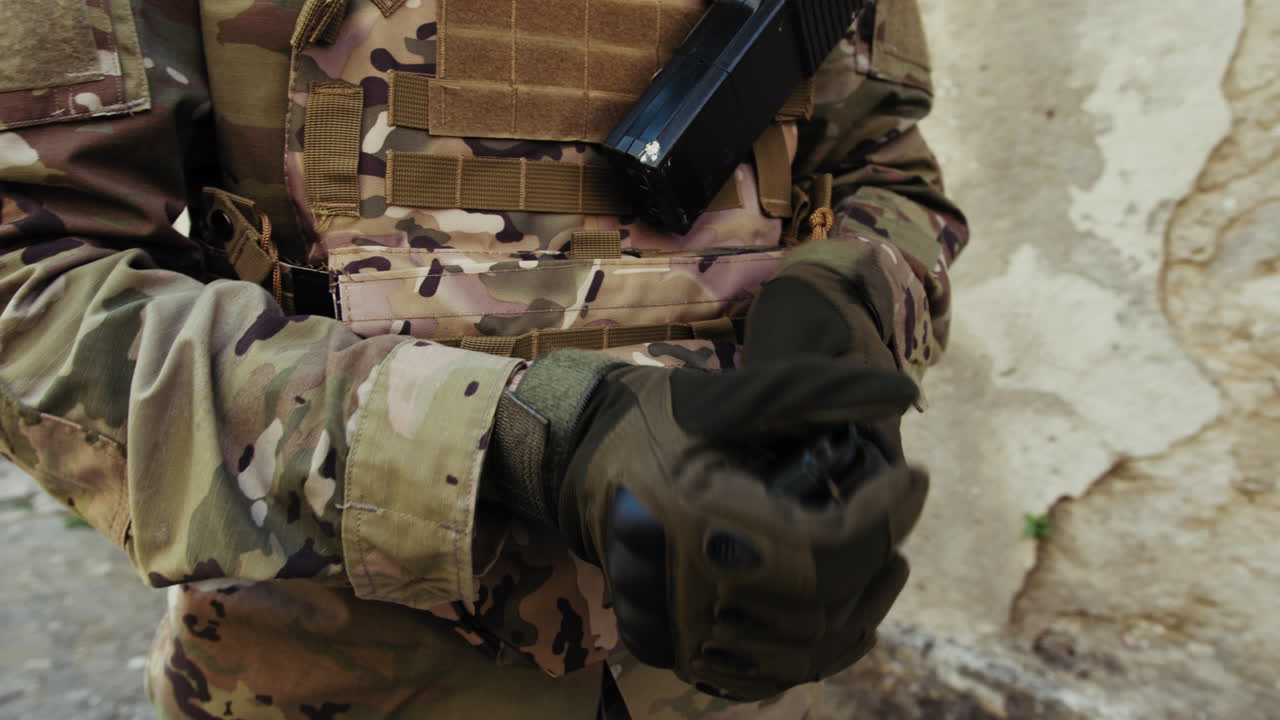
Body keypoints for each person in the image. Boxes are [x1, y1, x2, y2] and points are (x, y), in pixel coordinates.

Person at [0, 0, 967, 717]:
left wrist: (847, 310)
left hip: (731, 644)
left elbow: (884, 165)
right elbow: (28, 285)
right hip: (346, 668)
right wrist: (520, 438)